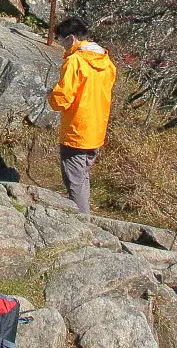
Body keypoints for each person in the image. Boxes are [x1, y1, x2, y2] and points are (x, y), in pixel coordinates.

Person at [46, 17, 116, 214]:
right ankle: (85, 216)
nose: (61, 45)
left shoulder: (75, 61)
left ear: (71, 38)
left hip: (76, 131)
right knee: (82, 177)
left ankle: (82, 224)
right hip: (96, 131)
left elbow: (62, 99)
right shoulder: (106, 61)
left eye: (60, 40)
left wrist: (50, 96)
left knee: (74, 182)